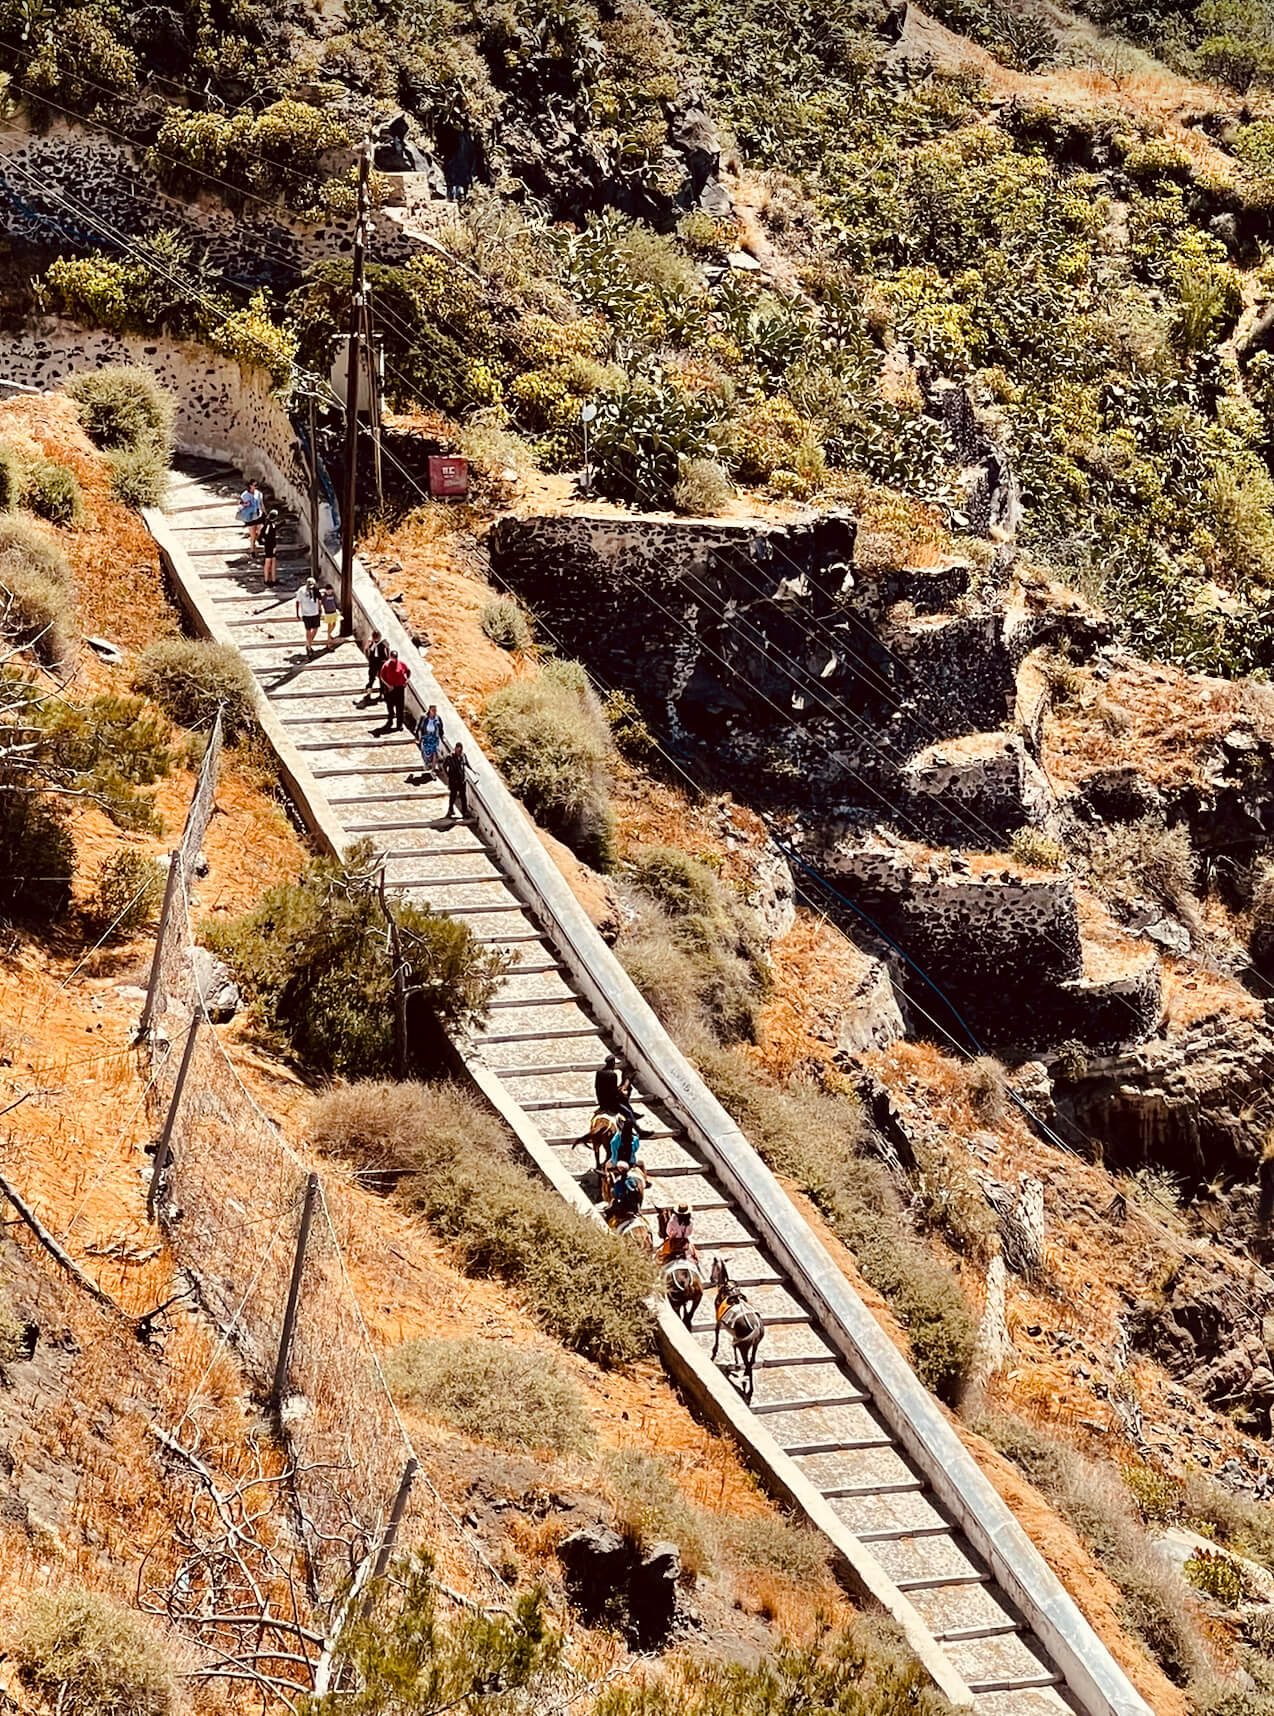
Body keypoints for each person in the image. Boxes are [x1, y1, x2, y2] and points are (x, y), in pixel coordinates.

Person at [595, 1054, 637, 1123]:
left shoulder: (599, 1073)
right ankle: (639, 1130)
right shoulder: (612, 1074)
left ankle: (633, 1113)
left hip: (601, 1100)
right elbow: (614, 1092)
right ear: (612, 1063)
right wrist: (621, 1092)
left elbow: (596, 1087)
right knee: (628, 1112)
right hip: (611, 1102)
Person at [379, 650, 410, 731]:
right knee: (390, 706)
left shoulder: (402, 664)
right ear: (390, 657)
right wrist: (388, 685)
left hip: (400, 688)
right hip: (391, 689)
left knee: (400, 708)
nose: (394, 659)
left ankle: (399, 725)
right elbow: (382, 677)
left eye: (395, 658)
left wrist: (406, 681)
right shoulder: (386, 665)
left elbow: (408, 671)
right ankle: (390, 720)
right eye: (393, 657)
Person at [360, 629, 390, 703]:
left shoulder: (383, 642)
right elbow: (366, 649)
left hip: (381, 662)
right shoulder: (371, 643)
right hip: (373, 662)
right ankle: (369, 692)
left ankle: (382, 694)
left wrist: (387, 660)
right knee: (371, 677)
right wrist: (368, 658)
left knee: (381, 678)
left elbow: (387, 650)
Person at [443, 742, 470, 820]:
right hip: (453, 780)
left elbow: (466, 764)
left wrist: (473, 771)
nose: (459, 752)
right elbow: (444, 767)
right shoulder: (450, 757)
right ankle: (451, 809)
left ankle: (464, 811)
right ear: (455, 749)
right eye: (458, 750)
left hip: (461, 779)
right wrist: (448, 775)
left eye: (460, 750)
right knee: (453, 795)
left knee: (463, 796)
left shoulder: (463, 756)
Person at [296, 579, 321, 657]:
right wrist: (297, 613)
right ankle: (309, 647)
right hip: (306, 614)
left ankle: (308, 643)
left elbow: (319, 599)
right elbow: (298, 602)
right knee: (308, 630)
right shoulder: (301, 591)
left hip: (315, 612)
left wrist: (320, 609)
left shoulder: (315, 590)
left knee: (316, 628)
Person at [418, 704, 445, 775]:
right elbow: (419, 727)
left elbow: (441, 728)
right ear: (429, 710)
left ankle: (433, 769)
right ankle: (427, 764)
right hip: (426, 737)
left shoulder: (438, 718)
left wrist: (441, 737)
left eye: (435, 710)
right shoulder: (424, 717)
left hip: (434, 737)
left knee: (434, 752)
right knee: (425, 752)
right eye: (433, 710)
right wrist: (419, 737)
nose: (435, 712)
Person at [238, 479, 264, 551]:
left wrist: (265, 512)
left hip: (258, 514)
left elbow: (261, 503)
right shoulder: (245, 494)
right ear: (250, 486)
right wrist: (246, 504)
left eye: (257, 485)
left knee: (260, 531)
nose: (256, 487)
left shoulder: (258, 493)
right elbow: (240, 503)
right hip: (249, 516)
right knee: (253, 534)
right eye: (255, 485)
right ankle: (252, 548)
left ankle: (254, 542)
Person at [260, 511, 280, 586]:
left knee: (273, 562)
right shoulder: (268, 524)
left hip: (271, 546)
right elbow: (265, 534)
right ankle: (266, 580)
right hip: (269, 546)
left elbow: (275, 528)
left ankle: (273, 580)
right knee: (268, 562)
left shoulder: (271, 524)